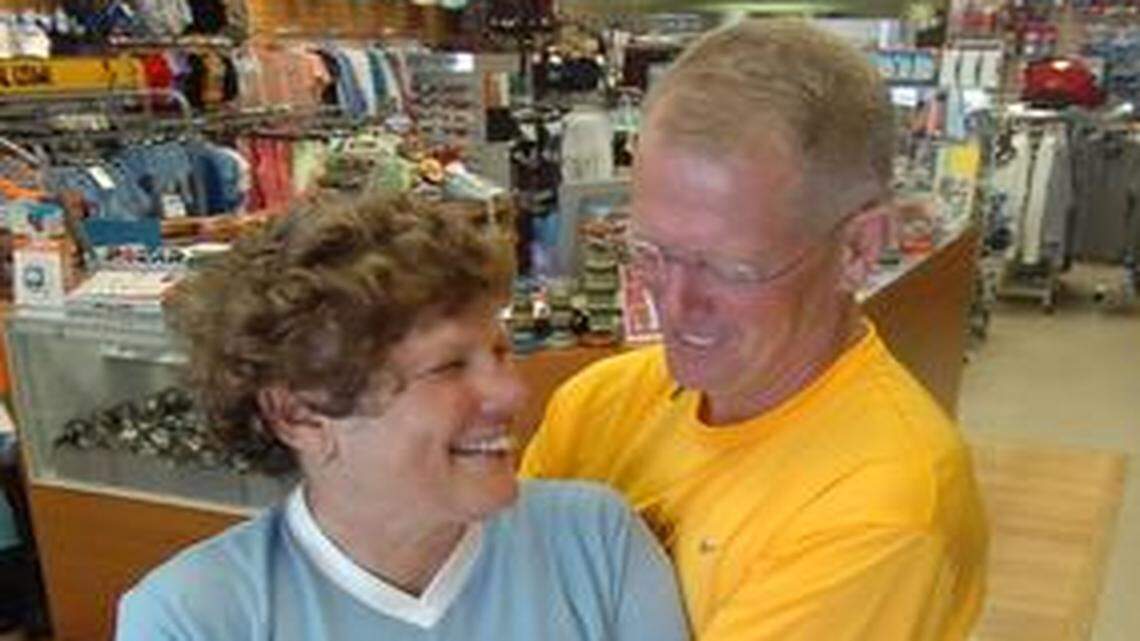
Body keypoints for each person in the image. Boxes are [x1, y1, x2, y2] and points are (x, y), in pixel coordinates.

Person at [521, 18, 988, 641]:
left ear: (858, 248)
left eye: (729, 269)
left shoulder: (881, 509)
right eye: (650, 251)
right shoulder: (597, 405)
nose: (675, 304)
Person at [115, 193, 689, 641]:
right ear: (298, 414)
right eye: (448, 367)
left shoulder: (594, 543)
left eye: (500, 352)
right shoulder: (195, 617)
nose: (511, 392)